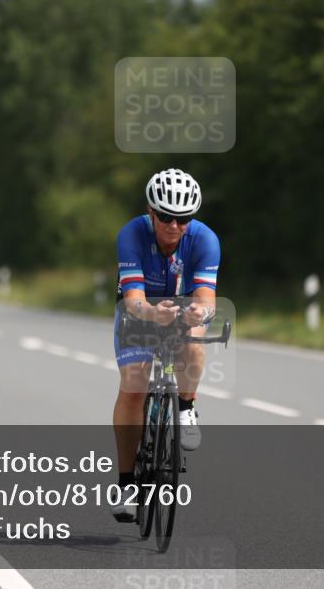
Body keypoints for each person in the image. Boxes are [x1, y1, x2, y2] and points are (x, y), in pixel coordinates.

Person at [109, 169, 220, 522]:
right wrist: (152, 314)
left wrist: (198, 313)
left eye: (183, 218)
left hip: (182, 306)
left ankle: (186, 407)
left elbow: (206, 298)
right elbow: (134, 300)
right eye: (165, 217)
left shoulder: (205, 240)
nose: (174, 226)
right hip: (140, 308)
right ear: (150, 212)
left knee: (195, 341)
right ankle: (127, 483)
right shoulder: (131, 234)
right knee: (133, 388)